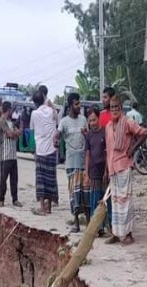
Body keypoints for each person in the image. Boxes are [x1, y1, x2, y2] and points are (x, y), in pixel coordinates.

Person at [105, 93, 147, 246]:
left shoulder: (127, 122)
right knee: (115, 202)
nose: (114, 110)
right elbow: (108, 149)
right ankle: (116, 233)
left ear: (121, 108)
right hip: (112, 168)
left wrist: (133, 149)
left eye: (117, 107)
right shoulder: (109, 126)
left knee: (126, 201)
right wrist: (106, 169)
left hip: (124, 166)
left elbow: (143, 133)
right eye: (112, 107)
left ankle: (128, 234)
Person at [59, 93, 89, 232]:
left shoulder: (84, 120)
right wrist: (55, 140)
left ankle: (88, 223)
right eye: (77, 104)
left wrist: (85, 135)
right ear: (71, 105)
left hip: (84, 163)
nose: (79, 106)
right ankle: (76, 224)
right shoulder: (64, 122)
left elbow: (89, 137)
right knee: (74, 195)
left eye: (79, 103)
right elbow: (57, 135)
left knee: (85, 193)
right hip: (71, 163)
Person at [30, 90, 59, 215]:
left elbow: (32, 129)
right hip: (52, 149)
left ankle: (42, 207)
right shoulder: (52, 111)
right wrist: (50, 104)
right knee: (51, 179)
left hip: (40, 150)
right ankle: (49, 207)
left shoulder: (34, 113)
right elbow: (57, 119)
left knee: (41, 180)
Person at [84, 106, 108, 236]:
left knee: (104, 200)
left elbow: (107, 153)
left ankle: (104, 227)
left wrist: (106, 171)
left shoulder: (105, 132)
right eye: (90, 121)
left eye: (94, 120)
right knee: (94, 199)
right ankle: (95, 228)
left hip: (103, 172)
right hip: (93, 172)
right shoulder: (89, 135)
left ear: (98, 118)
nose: (92, 123)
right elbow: (87, 154)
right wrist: (86, 173)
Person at [0, 101, 22, 207]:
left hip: (12, 155)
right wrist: (16, 133)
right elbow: (12, 134)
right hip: (5, 155)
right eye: (11, 109)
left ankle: (15, 199)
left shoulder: (10, 122)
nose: (12, 111)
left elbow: (16, 134)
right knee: (3, 179)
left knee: (14, 179)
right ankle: (1, 199)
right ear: (8, 110)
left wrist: (15, 133)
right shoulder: (2, 121)